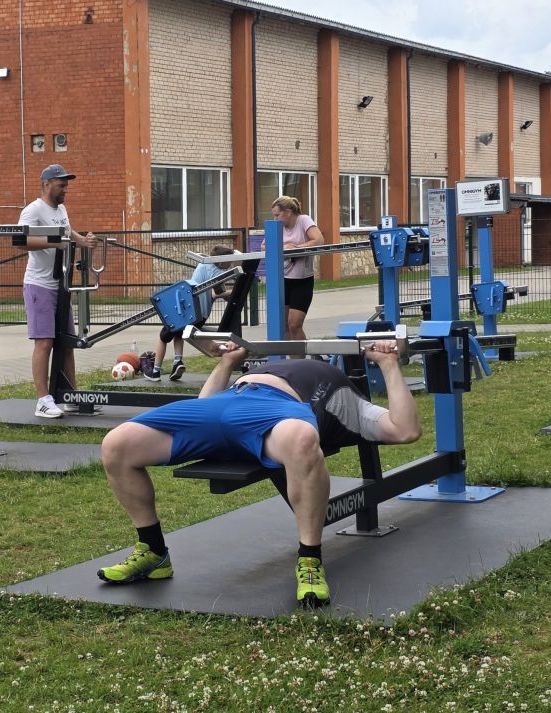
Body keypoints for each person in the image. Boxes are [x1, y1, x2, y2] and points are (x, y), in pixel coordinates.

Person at [97, 343, 420, 607]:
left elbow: (405, 430)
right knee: (118, 444)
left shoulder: (346, 398)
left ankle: (309, 560)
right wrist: (228, 361)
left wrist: (389, 364)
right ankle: (154, 553)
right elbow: (206, 403)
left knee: (302, 439)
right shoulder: (245, 374)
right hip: (228, 401)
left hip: (279, 412)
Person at [17, 164, 99, 419]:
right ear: (46, 184)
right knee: (44, 342)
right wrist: (56, 242)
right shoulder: (32, 210)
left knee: (66, 343)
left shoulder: (61, 209)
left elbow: (66, 231)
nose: (65, 189)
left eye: (66, 185)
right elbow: (22, 240)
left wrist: (81, 240)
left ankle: (70, 395)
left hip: (60, 285)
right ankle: (43, 400)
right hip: (39, 285)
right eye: (61, 185)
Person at [143, 246, 239, 382]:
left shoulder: (204, 265)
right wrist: (236, 290)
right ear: (221, 261)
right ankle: (177, 362)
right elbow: (219, 293)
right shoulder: (217, 273)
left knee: (164, 336)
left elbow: (216, 293)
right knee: (177, 332)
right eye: (229, 262)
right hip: (199, 315)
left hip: (189, 310)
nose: (230, 265)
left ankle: (155, 372)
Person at [270, 196, 325, 351]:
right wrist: (283, 247)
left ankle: (300, 361)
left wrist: (296, 247)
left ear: (287, 212)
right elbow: (264, 246)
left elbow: (319, 240)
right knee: (284, 324)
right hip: (284, 280)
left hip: (302, 281)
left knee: (294, 324)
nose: (274, 219)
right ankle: (289, 360)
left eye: (277, 215)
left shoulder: (303, 220)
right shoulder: (277, 227)